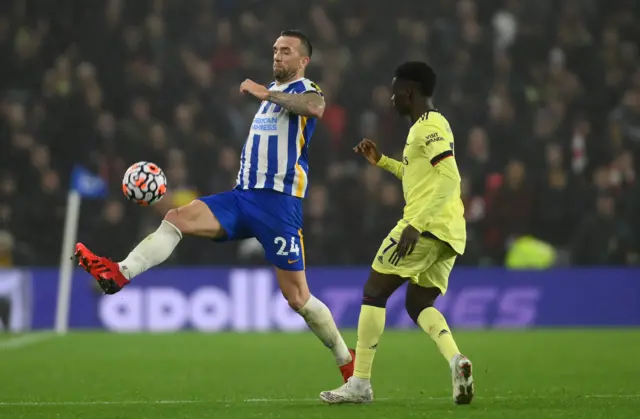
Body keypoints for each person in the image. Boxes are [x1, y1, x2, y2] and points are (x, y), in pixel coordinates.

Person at [75, 30, 355, 382]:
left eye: (286, 51)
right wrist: (268, 94)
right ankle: (118, 274)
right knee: (176, 218)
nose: (278, 56)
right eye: (275, 50)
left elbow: (316, 108)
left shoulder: (305, 91)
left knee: (298, 298)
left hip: (278, 206)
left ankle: (347, 362)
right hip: (241, 197)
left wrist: (266, 92)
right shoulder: (271, 98)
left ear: (303, 61)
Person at [319, 62, 473, 404]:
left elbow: (449, 178)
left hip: (425, 226)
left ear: (409, 92)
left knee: (374, 290)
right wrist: (383, 162)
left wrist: (416, 225)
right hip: (449, 232)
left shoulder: (429, 126)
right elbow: (420, 176)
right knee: (419, 303)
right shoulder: (426, 127)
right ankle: (456, 360)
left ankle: (359, 383)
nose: (391, 98)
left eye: (394, 90)